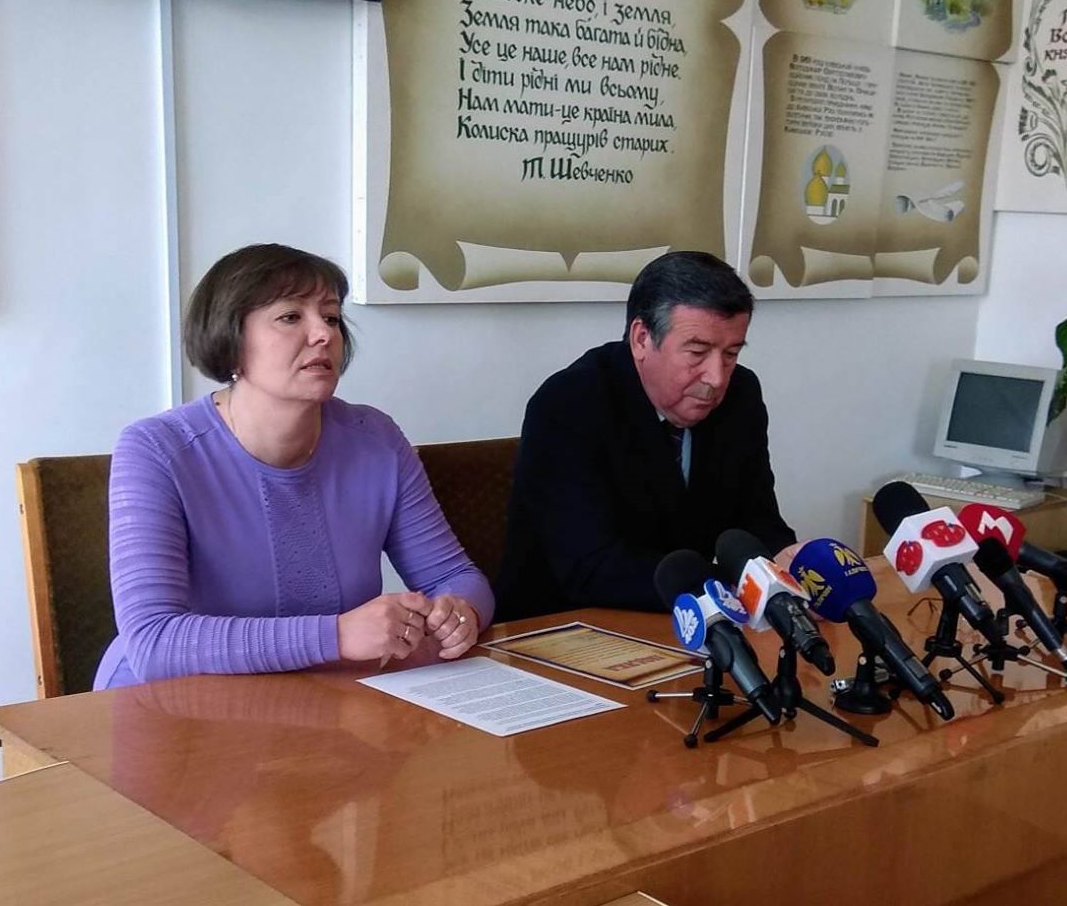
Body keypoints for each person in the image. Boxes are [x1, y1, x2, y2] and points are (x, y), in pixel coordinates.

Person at [94, 244, 493, 689]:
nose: (323, 334)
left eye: (331, 317)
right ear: (231, 338)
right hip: (170, 703)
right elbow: (154, 643)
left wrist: (459, 612)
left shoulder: (375, 438)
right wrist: (337, 635)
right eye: (290, 317)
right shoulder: (155, 449)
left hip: (326, 696)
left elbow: (453, 576)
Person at [496, 250, 795, 621]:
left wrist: (787, 560)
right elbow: (590, 568)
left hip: (691, 619)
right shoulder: (569, 403)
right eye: (697, 352)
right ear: (641, 339)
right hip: (562, 626)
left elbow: (757, 521)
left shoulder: (741, 395)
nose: (717, 377)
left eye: (731, 354)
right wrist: (733, 587)